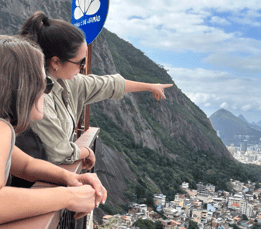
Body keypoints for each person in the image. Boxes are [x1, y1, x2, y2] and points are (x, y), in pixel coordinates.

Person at [0, 35, 107, 229]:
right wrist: (69, 197)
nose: (47, 91)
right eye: (45, 82)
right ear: (21, 87)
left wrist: (70, 178)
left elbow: (25, 165)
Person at [17, 11, 173, 169]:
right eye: (80, 62)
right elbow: (61, 152)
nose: (83, 68)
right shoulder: (37, 94)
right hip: (28, 185)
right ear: (56, 62)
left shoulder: (66, 81)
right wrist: (86, 151)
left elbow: (108, 84)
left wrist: (150, 86)